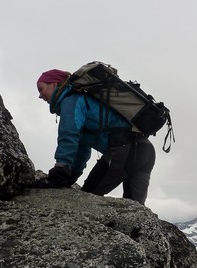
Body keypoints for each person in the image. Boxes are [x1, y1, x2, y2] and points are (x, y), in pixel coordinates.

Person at [33, 69, 155, 205]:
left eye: (41, 89)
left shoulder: (70, 100)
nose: (40, 95)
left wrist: (60, 170)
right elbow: (82, 146)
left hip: (123, 150)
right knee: (136, 209)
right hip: (145, 151)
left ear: (54, 84)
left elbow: (69, 135)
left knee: (86, 199)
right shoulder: (83, 99)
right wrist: (73, 173)